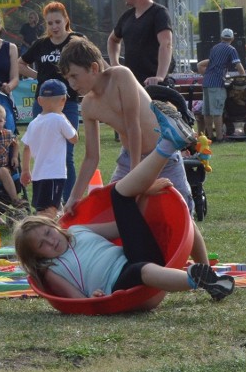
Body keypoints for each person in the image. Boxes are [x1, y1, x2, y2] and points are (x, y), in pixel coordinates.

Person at [13, 116, 235, 302]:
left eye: (48, 233)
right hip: (120, 283)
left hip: (135, 255)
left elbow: (123, 227)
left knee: (119, 195)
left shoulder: (78, 231)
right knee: (143, 270)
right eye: (42, 244)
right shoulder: (52, 270)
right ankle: (197, 279)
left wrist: (142, 196)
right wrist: (93, 298)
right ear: (37, 256)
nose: (50, 241)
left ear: (55, 227)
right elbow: (74, 298)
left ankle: (167, 143)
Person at [58, 37, 209, 265]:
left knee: (182, 215)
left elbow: (133, 127)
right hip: (129, 160)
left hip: (162, 156)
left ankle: (205, 270)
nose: (71, 84)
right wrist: (74, 197)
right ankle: (127, 264)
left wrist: (139, 178)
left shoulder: (121, 76)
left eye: (74, 76)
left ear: (94, 68)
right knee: (119, 213)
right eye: (67, 78)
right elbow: (91, 156)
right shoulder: (88, 105)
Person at [18, 1, 83, 200]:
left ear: (66, 21)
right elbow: (20, 63)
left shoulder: (76, 41)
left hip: (68, 103)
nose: (54, 27)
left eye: (57, 22)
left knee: (67, 154)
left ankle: (69, 201)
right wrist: (39, 77)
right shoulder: (41, 44)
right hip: (43, 105)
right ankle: (47, 201)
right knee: (42, 152)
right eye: (50, 23)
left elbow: (91, 63)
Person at [20, 79, 79, 219]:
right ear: (63, 100)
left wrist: (26, 170)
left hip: (38, 174)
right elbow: (74, 138)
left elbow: (26, 148)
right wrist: (64, 117)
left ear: (39, 100)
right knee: (50, 211)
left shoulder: (33, 123)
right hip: (55, 174)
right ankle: (48, 233)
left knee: (43, 207)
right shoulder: (59, 119)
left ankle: (49, 230)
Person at [107, 0, 174, 87]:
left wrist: (160, 76)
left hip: (153, 85)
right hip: (131, 84)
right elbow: (113, 40)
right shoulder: (127, 16)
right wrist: (115, 64)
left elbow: (166, 44)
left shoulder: (159, 13)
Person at [197, 28, 246, 142]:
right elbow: (238, 65)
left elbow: (209, 63)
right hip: (217, 82)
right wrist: (243, 76)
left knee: (207, 112)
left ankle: (210, 136)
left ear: (221, 37)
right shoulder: (231, 49)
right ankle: (219, 137)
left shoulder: (214, 48)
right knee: (217, 111)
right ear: (232, 38)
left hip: (207, 82)